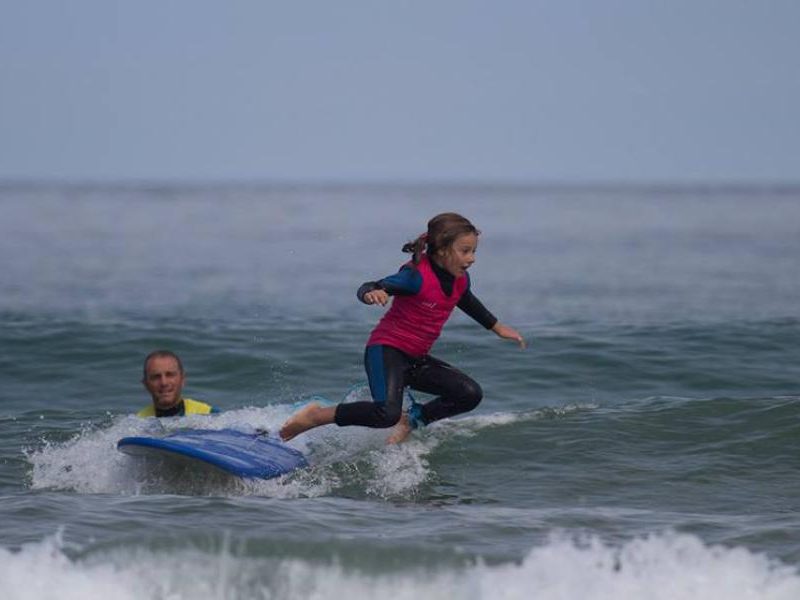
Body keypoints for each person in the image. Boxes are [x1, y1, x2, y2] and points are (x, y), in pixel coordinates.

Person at [280, 212, 525, 444]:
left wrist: (497, 327)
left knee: (469, 394)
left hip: (416, 359)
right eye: (465, 251)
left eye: (473, 251)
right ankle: (315, 416)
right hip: (387, 351)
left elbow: (466, 299)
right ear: (441, 250)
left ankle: (413, 420)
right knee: (385, 414)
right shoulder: (415, 277)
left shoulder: (460, 278)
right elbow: (370, 285)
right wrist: (373, 293)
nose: (472, 258)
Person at [138, 350, 218, 417]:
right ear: (145, 384)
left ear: (183, 379)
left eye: (170, 375)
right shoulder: (139, 424)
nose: (164, 382)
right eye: (156, 377)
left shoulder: (209, 416)